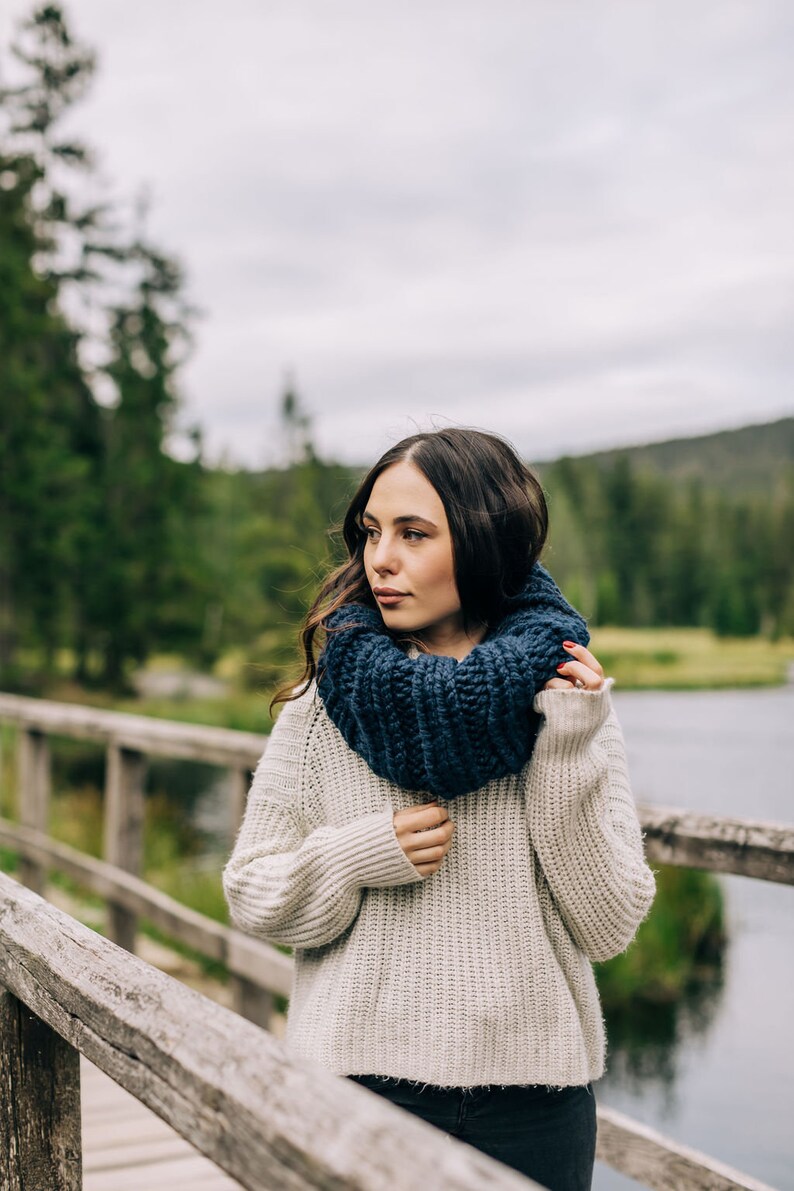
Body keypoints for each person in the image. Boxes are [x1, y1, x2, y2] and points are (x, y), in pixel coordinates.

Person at [222, 427, 656, 1191]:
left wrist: (564, 747)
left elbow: (608, 923)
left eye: (413, 534)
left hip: (535, 1105)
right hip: (356, 1090)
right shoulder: (324, 702)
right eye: (371, 532)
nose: (379, 558)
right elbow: (253, 889)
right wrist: (359, 854)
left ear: (486, 540)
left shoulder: (567, 696)